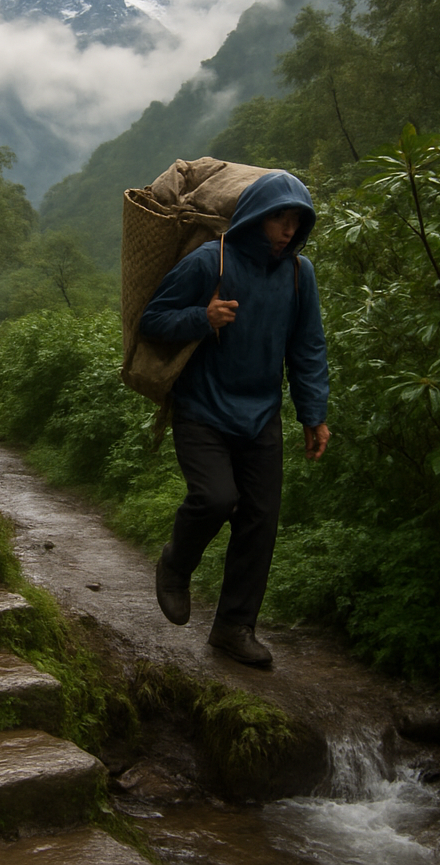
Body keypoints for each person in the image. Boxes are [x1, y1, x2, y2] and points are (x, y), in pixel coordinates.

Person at [138, 170, 330, 667]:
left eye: (295, 222)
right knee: (215, 498)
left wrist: (313, 414)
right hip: (203, 407)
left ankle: (233, 628)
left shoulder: (297, 274)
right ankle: (175, 565)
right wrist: (202, 317)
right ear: (255, 217)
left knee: (260, 520)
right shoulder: (211, 261)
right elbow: (153, 320)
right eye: (278, 219)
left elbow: (307, 347)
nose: (287, 230)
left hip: (261, 415)